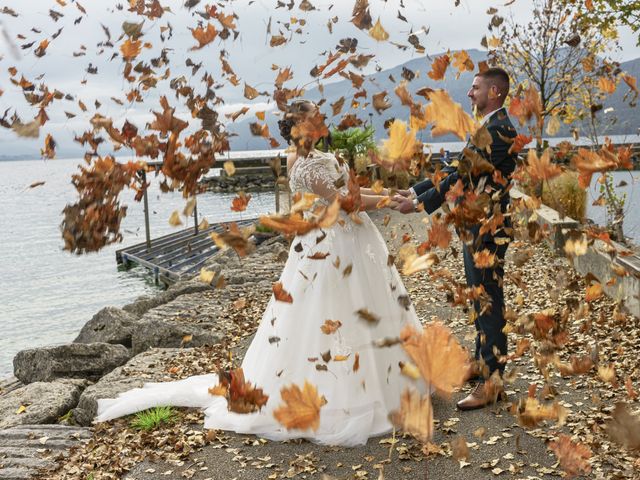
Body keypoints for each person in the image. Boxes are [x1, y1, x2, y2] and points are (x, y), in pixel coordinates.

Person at [96, 100, 428, 446]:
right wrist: (390, 199)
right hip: (331, 245)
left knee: (346, 312)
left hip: (339, 241)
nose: (321, 121)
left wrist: (385, 194)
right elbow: (345, 202)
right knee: (335, 314)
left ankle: (370, 386)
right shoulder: (307, 164)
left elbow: (348, 195)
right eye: (315, 117)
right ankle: (347, 397)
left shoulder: (306, 155)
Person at [392, 67, 518, 411]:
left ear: (494, 92)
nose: (469, 94)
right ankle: (480, 363)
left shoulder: (501, 130)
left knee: (489, 301)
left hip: (489, 229)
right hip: (474, 225)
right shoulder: (488, 126)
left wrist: (419, 203)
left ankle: (492, 383)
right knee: (479, 297)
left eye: (475, 88)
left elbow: (463, 174)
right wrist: (416, 189)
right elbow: (456, 168)